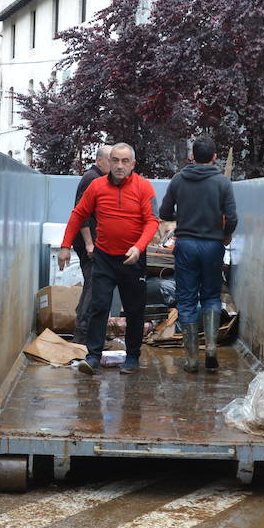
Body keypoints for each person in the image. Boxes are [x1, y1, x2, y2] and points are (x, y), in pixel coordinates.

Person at [57, 143, 159, 374]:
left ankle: (132, 357)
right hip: (103, 257)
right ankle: (93, 356)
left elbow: (152, 221)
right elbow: (78, 215)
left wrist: (139, 247)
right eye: (115, 160)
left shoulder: (144, 188)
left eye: (124, 161)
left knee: (134, 310)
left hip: (132, 259)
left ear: (133, 164)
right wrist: (65, 246)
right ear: (108, 162)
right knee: (98, 305)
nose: (119, 165)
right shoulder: (96, 186)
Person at [158, 137, 238, 372]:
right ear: (214, 157)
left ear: (192, 156)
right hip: (213, 246)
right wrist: (225, 235)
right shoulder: (222, 183)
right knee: (212, 296)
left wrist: (183, 217)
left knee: (187, 299)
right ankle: (211, 347)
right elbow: (232, 218)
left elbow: (164, 212)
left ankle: (192, 359)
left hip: (186, 246)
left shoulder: (178, 180)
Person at [72, 145, 113, 342]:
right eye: (111, 160)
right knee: (93, 285)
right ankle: (83, 334)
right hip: (89, 245)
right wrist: (89, 244)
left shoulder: (99, 179)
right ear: (100, 161)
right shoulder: (92, 179)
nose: (115, 165)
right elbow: (82, 215)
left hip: (95, 243)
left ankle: (90, 332)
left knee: (94, 285)